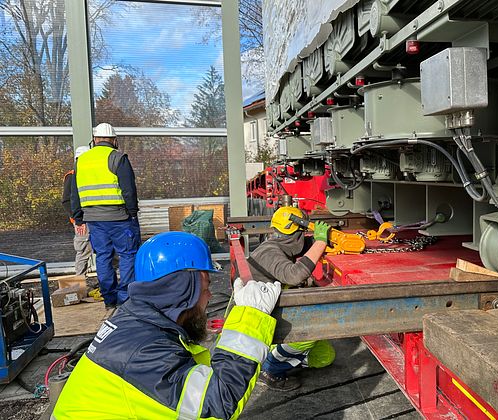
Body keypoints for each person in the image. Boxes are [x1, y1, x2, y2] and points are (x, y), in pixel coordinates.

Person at [52, 231, 283, 419]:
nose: (210, 296)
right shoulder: (143, 352)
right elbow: (217, 403)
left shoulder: (137, 321)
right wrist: (251, 317)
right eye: (205, 288)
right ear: (183, 290)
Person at [248, 206, 335, 391]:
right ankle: (270, 368)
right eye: (303, 234)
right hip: (258, 321)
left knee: (325, 356)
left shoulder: (278, 245)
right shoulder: (269, 252)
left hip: (270, 311)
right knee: (310, 331)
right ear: (296, 235)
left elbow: (302, 248)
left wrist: (323, 239)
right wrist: (320, 242)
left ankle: (280, 356)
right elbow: (294, 275)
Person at [70, 123, 140, 309]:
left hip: (94, 219)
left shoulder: (81, 161)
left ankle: (109, 299)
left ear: (94, 140)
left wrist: (78, 217)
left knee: (102, 256)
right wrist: (132, 213)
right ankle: (125, 299)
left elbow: (74, 193)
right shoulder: (118, 158)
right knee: (127, 255)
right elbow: (129, 189)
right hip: (119, 218)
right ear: (114, 140)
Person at [61, 146, 93, 276]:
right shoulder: (72, 176)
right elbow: (66, 201)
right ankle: (80, 284)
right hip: (82, 220)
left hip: (95, 217)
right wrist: (78, 221)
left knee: (106, 250)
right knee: (83, 251)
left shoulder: (92, 174)